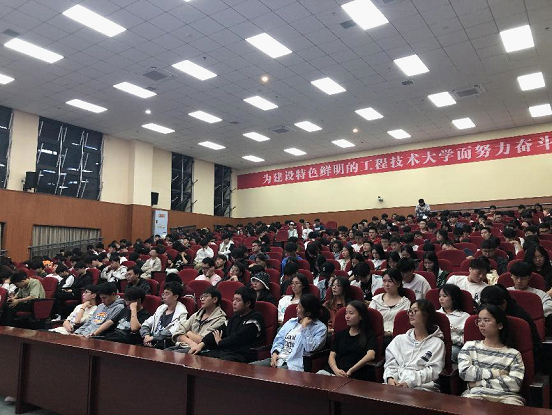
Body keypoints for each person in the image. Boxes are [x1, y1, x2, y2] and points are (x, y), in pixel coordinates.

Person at [458, 304, 525, 406]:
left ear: (500, 325)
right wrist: (497, 373)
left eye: (486, 320)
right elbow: (465, 373)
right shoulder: (470, 347)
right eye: (479, 320)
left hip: (508, 397)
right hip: (476, 394)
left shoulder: (513, 354)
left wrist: (478, 383)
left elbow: (515, 384)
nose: (481, 324)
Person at [189, 287, 266, 362]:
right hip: (226, 351)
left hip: (242, 355)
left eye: (238, 300)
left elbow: (237, 338)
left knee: (218, 363)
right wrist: (201, 344)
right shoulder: (235, 317)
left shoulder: (255, 319)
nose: (234, 303)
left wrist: (220, 342)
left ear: (248, 303)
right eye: (233, 299)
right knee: (199, 356)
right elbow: (218, 331)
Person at [252, 294, 327, 371]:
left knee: (275, 375)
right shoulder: (291, 322)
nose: (296, 308)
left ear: (308, 313)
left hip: (294, 364)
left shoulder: (320, 328)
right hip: (279, 358)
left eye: (299, 307)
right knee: (250, 368)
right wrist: (275, 353)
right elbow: (279, 340)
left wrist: (304, 327)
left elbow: (310, 348)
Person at [384, 299, 445, 391]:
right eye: (410, 311)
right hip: (395, 384)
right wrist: (390, 378)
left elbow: (433, 371)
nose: (411, 314)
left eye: (415, 311)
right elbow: (390, 364)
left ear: (426, 315)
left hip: (421, 387)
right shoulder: (399, 339)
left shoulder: (437, 343)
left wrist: (409, 382)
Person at [480, 285, 542, 369]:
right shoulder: (482, 315)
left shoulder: (519, 321)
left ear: (504, 304)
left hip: (515, 363)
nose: (489, 312)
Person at [318, 301, 377, 380]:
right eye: (346, 313)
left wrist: (351, 370)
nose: (347, 316)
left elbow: (371, 355)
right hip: (335, 371)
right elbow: (332, 355)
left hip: (355, 374)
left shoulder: (369, 335)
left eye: (351, 313)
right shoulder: (340, 334)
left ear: (361, 316)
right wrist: (336, 370)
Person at [170, 287, 227, 353]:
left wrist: (188, 332)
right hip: (184, 345)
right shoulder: (197, 314)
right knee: (165, 352)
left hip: (201, 351)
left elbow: (203, 340)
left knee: (171, 355)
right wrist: (191, 342)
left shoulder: (220, 319)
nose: (202, 299)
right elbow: (178, 332)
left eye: (206, 297)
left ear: (215, 299)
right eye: (202, 297)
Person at [369, 269, 411, 348]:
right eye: (384, 281)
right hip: (376, 334)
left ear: (398, 284)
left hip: (395, 337)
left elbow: (405, 325)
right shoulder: (376, 300)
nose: (386, 284)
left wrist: (391, 333)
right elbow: (369, 319)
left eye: (390, 281)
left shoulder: (405, 303)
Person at [508, 261, 552, 335]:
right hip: (510, 326)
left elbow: (549, 305)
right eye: (516, 277)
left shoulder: (539, 294)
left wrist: (534, 313)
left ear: (529, 277)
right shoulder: (506, 292)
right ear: (511, 276)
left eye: (523, 278)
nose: (519, 281)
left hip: (533, 326)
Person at [140, 282, 187, 348]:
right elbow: (146, 324)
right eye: (163, 294)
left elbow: (173, 331)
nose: (163, 296)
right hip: (151, 341)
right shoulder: (161, 308)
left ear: (175, 296)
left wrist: (153, 338)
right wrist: (146, 336)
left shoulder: (182, 312)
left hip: (165, 345)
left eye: (167, 294)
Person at [437, 284, 470, 362]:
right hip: (436, 344)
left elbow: (466, 338)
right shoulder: (435, 314)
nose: (441, 299)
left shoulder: (464, 316)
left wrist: (452, 339)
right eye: (439, 296)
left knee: (450, 353)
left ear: (454, 298)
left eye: (444, 296)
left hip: (455, 346)